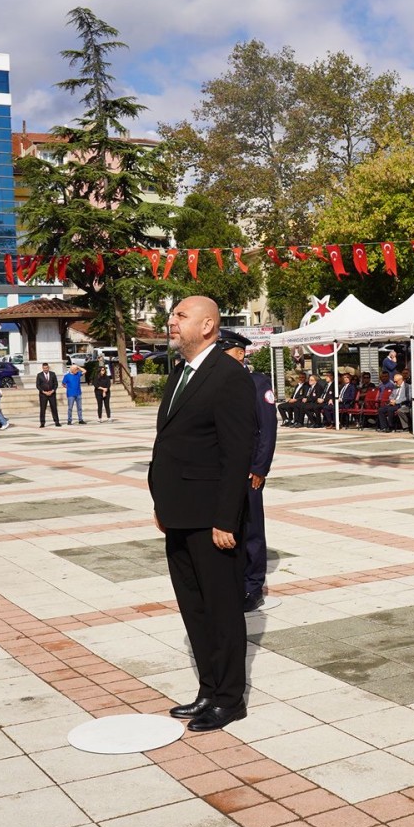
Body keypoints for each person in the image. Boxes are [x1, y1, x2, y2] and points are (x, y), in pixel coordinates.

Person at [149, 296, 255, 732]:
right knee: (193, 607)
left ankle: (230, 699)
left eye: (181, 316)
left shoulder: (229, 376)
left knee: (222, 609)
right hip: (178, 512)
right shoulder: (181, 372)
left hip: (213, 519)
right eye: (172, 314)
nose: (171, 321)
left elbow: (236, 455)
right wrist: (160, 502)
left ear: (209, 325)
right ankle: (208, 690)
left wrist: (226, 520)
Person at [215, 331, 277, 612]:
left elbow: (267, 428)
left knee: (251, 528)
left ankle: (253, 586)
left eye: (223, 351)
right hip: (222, 470)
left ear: (239, 354)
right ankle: (231, 580)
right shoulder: (217, 383)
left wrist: (260, 467)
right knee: (227, 525)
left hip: (249, 470)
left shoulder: (257, 382)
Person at [36, 362, 61, 427]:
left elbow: (56, 384)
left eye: (46, 368)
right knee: (42, 409)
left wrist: (52, 391)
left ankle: (57, 422)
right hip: (43, 395)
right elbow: (38, 385)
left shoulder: (53, 374)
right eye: (44, 368)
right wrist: (44, 392)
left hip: (52, 394)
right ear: (42, 368)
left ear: (48, 367)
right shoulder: (39, 375)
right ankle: (42, 422)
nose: (46, 369)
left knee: (54, 408)